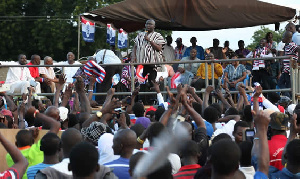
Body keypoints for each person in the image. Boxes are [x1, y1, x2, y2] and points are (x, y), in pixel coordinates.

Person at [132, 19, 165, 84]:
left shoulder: (158, 35)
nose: (148, 25)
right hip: (141, 64)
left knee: (151, 83)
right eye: (147, 24)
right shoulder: (140, 35)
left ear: (154, 26)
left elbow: (159, 48)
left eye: (150, 24)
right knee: (141, 83)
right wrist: (133, 56)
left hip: (152, 64)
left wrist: (149, 40)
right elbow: (135, 47)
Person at [278, 31, 300, 97]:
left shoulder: (292, 45)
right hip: (286, 70)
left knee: (288, 86)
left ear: (288, 37)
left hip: (290, 71)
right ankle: (288, 97)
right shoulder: (287, 46)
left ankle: (289, 98)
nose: (282, 38)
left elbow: (299, 48)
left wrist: (298, 60)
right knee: (280, 83)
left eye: (283, 37)